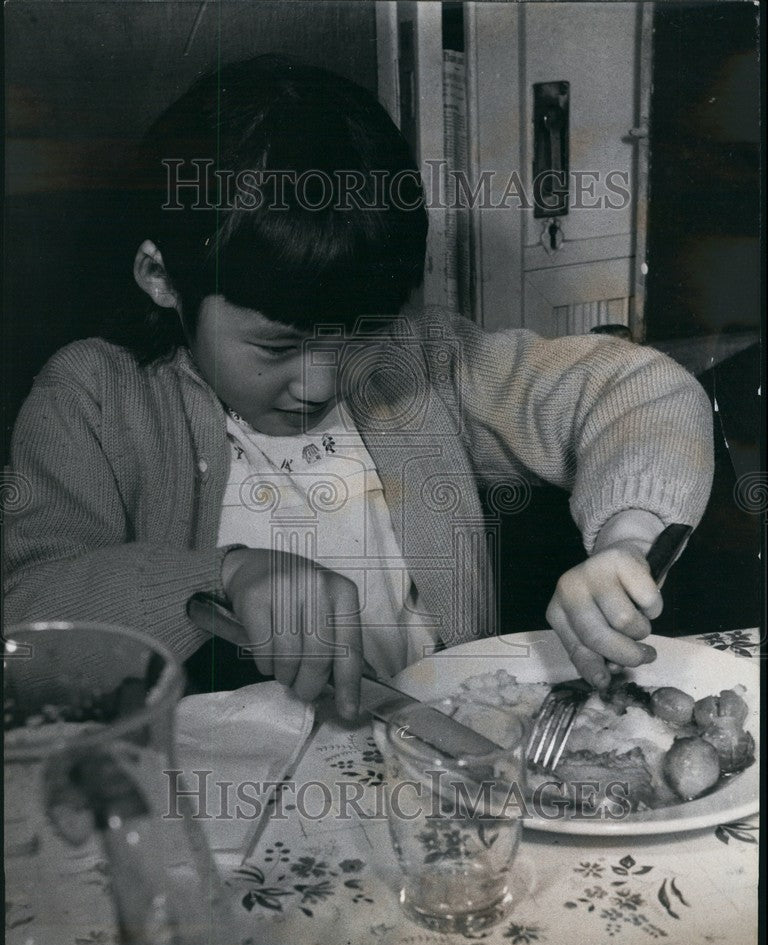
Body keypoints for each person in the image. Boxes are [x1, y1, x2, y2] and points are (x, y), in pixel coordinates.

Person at [3, 56, 713, 720]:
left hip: (435, 766)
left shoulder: (418, 363)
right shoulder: (92, 396)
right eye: (277, 346)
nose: (318, 382)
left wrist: (625, 538)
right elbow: (25, 627)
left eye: (351, 338)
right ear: (162, 276)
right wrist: (226, 575)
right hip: (209, 804)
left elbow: (640, 391)